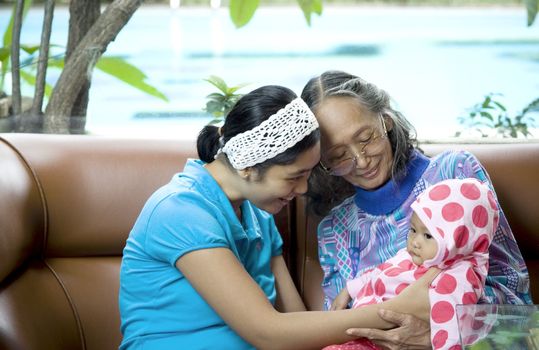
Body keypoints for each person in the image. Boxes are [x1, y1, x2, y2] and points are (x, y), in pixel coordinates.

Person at [118, 85, 438, 350]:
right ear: (247, 166)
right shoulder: (180, 211)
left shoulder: (258, 216)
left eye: (309, 174)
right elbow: (268, 332)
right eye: (294, 176)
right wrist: (399, 310)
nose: (301, 189)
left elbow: (296, 323)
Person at [300, 70, 532, 349]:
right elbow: (337, 325)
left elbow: (515, 303)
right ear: (322, 162)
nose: (360, 161)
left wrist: (437, 336)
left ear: (385, 120)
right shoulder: (335, 230)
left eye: (365, 138)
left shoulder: (454, 174)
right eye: (339, 156)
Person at [323, 178, 499, 350]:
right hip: (360, 328)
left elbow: (451, 326)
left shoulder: (456, 277)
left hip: (384, 339)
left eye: (428, 236)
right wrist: (349, 290)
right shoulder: (416, 256)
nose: (414, 241)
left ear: (458, 239)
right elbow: (381, 271)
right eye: (413, 230)